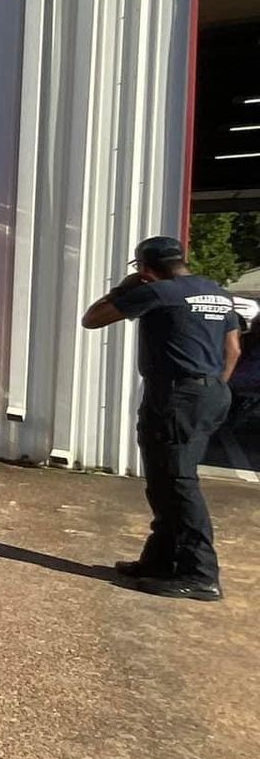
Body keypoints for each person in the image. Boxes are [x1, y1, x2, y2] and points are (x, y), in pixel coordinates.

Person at [82, 235, 240, 601]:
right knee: (166, 479)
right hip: (210, 391)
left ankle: (200, 573)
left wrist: (126, 286)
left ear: (145, 268)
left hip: (176, 396)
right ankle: (161, 560)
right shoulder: (216, 292)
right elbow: (232, 349)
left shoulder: (159, 292)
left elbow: (93, 319)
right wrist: (209, 389)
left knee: (178, 482)